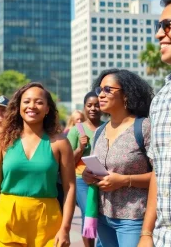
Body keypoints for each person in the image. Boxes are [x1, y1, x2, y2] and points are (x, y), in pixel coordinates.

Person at [0, 82, 75, 247]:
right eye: (26, 101)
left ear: (48, 109)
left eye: (39, 102)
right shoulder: (2, 141)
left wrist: (65, 228)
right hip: (8, 219)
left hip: (47, 221)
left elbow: (69, 187)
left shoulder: (60, 142)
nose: (32, 106)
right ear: (18, 106)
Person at [82, 69, 153, 247]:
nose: (101, 95)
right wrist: (87, 175)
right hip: (103, 216)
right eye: (99, 90)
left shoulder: (144, 127)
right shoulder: (100, 131)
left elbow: (162, 175)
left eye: (108, 89)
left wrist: (124, 180)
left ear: (126, 95)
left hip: (133, 217)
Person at [138, 0, 171, 247]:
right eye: (157, 25)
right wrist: (146, 234)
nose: (158, 34)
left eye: (167, 25)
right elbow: (158, 173)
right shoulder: (160, 100)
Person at [67, 92, 102, 247]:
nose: (93, 108)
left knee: (102, 215)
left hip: (102, 178)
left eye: (97, 105)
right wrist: (80, 148)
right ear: (84, 107)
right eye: (89, 105)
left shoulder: (107, 127)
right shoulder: (77, 130)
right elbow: (67, 161)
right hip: (81, 179)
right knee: (89, 212)